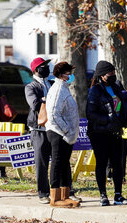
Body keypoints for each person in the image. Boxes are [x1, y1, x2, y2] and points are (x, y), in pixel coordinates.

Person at [86, 61, 127, 206]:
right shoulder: (95, 91)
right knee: (102, 163)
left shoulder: (116, 87)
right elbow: (91, 114)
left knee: (117, 164)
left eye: (113, 72)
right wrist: (108, 119)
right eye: (109, 73)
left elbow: (122, 106)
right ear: (102, 75)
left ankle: (118, 195)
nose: (112, 75)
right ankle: (103, 195)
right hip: (100, 132)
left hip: (116, 131)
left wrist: (122, 120)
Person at [45, 62, 79, 207]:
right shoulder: (58, 89)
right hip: (58, 133)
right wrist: (66, 130)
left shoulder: (64, 89)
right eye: (68, 73)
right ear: (61, 75)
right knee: (57, 164)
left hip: (66, 134)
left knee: (64, 164)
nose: (71, 76)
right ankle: (55, 197)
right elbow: (53, 114)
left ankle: (65, 195)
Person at [26, 57, 52, 204]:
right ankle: (43, 193)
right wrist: (45, 100)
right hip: (39, 128)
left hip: (54, 128)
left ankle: (62, 190)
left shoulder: (52, 83)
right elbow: (35, 104)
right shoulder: (31, 87)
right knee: (41, 163)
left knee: (58, 161)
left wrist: (45, 99)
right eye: (43, 66)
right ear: (36, 69)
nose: (46, 68)